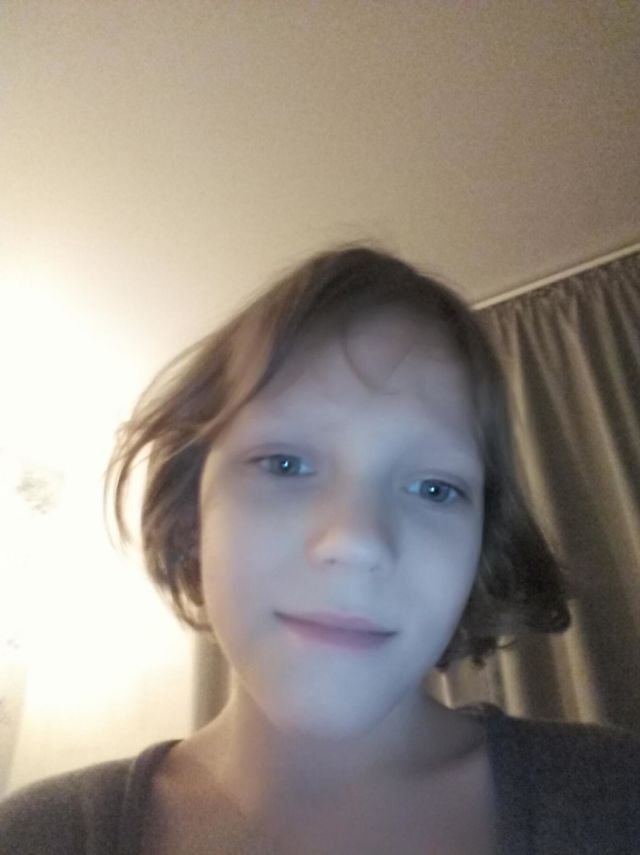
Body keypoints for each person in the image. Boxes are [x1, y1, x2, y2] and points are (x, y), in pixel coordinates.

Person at [1, 244, 639, 854]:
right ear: (192, 515)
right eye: (284, 464)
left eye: (434, 488)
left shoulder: (619, 798)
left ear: (480, 545)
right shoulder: (37, 836)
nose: (357, 541)